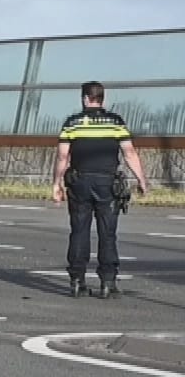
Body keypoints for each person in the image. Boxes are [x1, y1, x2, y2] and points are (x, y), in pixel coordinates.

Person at [53, 81, 149, 298]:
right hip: (108, 183)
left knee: (79, 230)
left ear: (85, 98)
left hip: (79, 182)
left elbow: (62, 156)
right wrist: (141, 180)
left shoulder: (72, 123)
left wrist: (56, 183)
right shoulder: (116, 123)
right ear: (102, 99)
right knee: (107, 233)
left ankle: (77, 280)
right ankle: (108, 282)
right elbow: (130, 153)